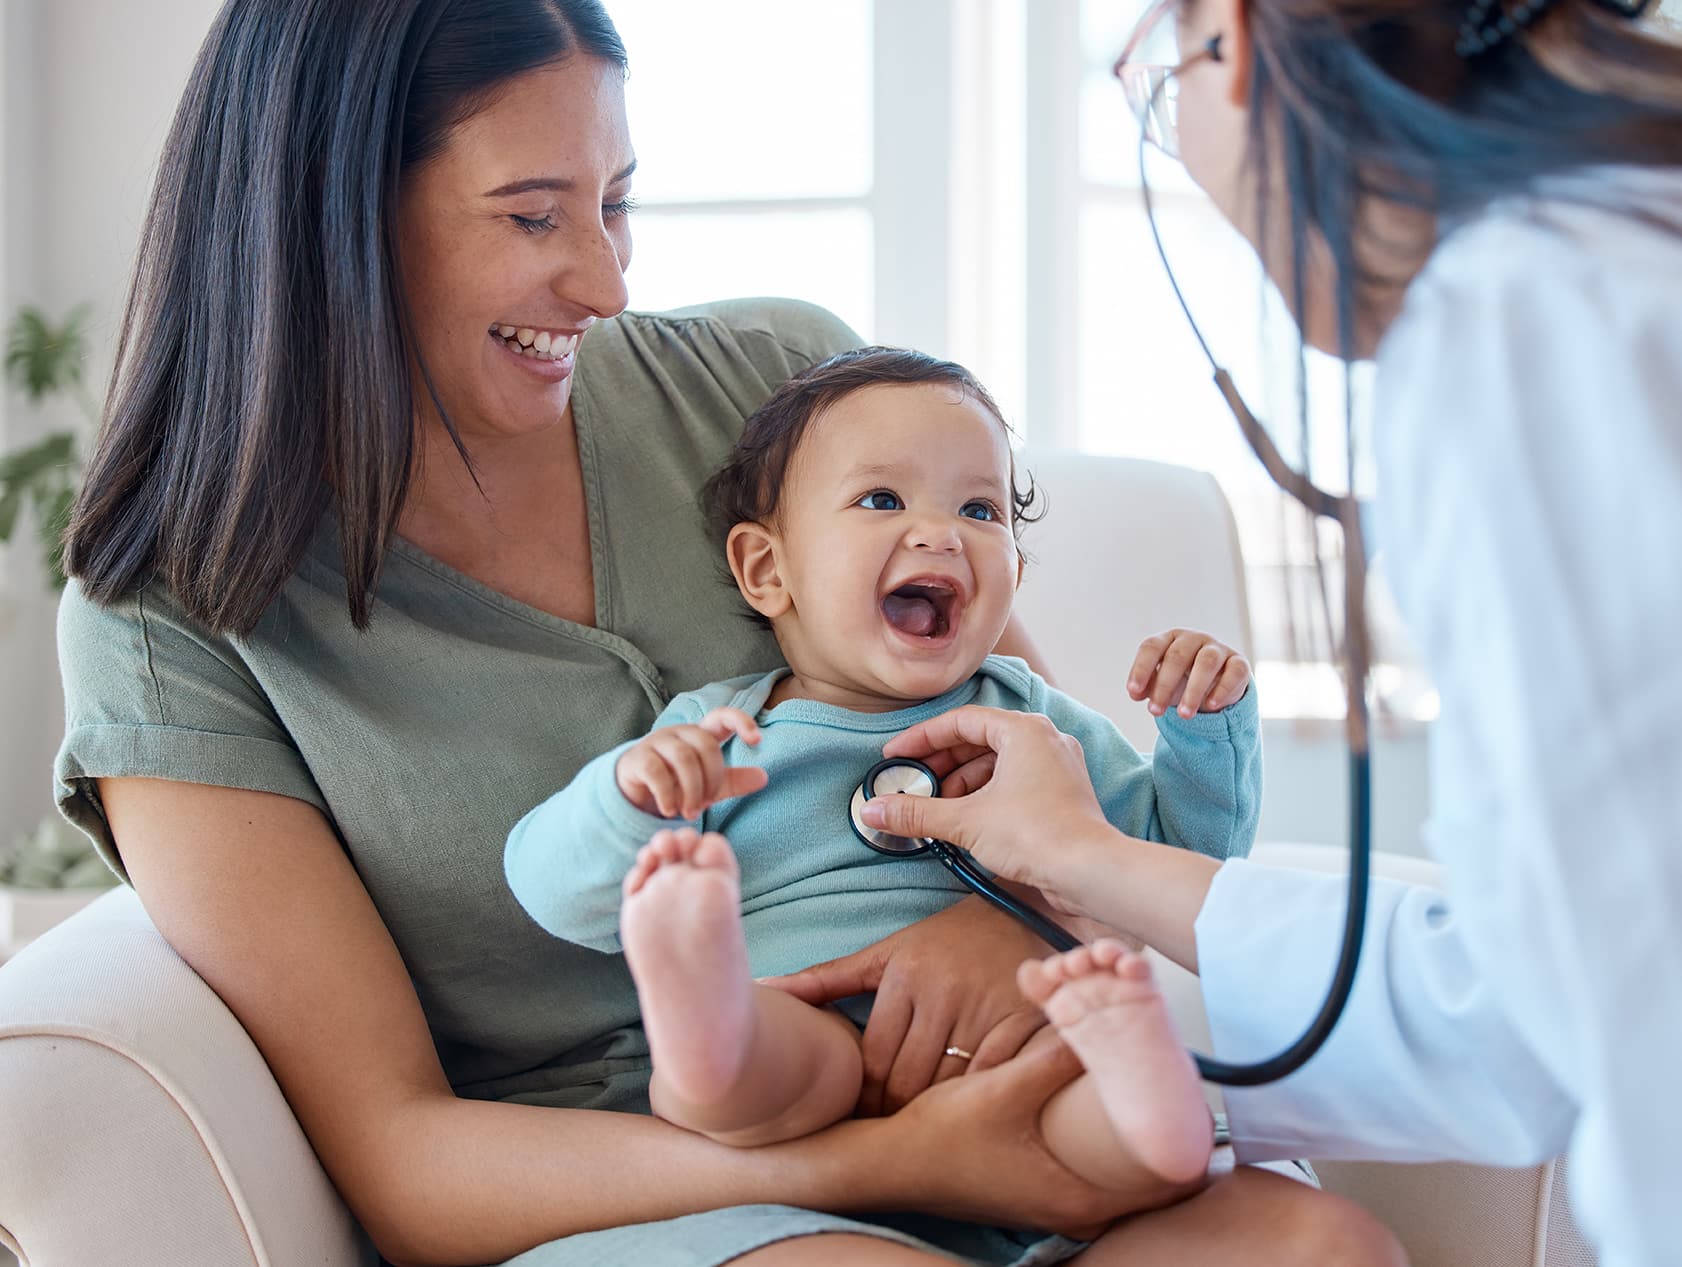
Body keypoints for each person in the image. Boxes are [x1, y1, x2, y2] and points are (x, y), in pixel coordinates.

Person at [35, 1, 1406, 1265]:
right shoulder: (171, 614)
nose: (603, 281)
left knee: (1318, 1248)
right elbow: (405, 1156)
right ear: (330, 222)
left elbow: (1021, 767)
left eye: (617, 202)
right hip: (635, 1190)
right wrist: (885, 1158)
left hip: (986, 1085)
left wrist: (999, 935)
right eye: (530, 217)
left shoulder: (774, 386)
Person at [796, 1, 1682, 1265]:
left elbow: (1564, 1009)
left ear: (1231, 37)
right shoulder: (1610, 253)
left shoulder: (1527, 324)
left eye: (1159, 88)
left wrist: (1084, 889)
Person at [504, 346, 1258, 1201]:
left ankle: (1147, 1101)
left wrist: (1201, 732)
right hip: (802, 1021)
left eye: (981, 508)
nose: (941, 531)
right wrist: (627, 799)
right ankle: (704, 1009)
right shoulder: (722, 736)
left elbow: (1177, 862)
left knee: (1097, 1124)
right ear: (767, 570)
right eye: (881, 499)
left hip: (1018, 1044)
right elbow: (551, 891)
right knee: (744, 1073)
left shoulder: (1034, 725)